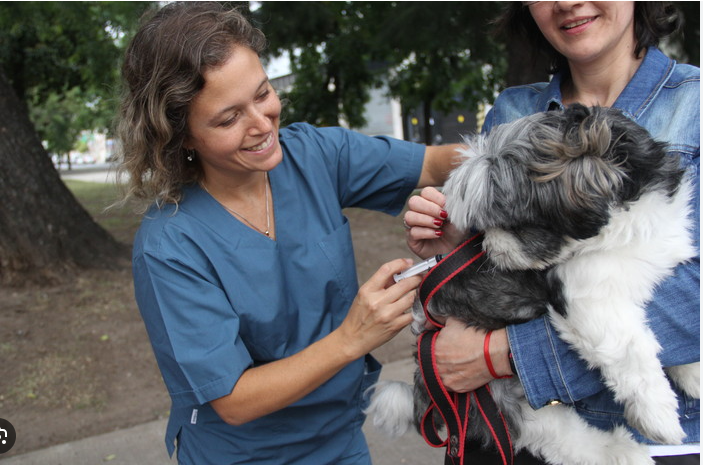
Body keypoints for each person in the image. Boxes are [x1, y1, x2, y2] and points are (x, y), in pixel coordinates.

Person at [115, 2, 460, 464]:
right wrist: (353, 337)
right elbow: (233, 400)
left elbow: (434, 162)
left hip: (342, 440)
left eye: (263, 94)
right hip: (245, 455)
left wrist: (520, 152)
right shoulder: (170, 245)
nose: (261, 125)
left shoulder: (312, 155)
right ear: (181, 135)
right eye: (228, 118)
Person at [402, 2, 699, 464]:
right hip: (516, 436)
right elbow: (504, 267)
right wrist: (458, 244)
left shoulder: (693, 107)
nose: (565, 2)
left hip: (659, 443)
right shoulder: (510, 109)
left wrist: (505, 355)